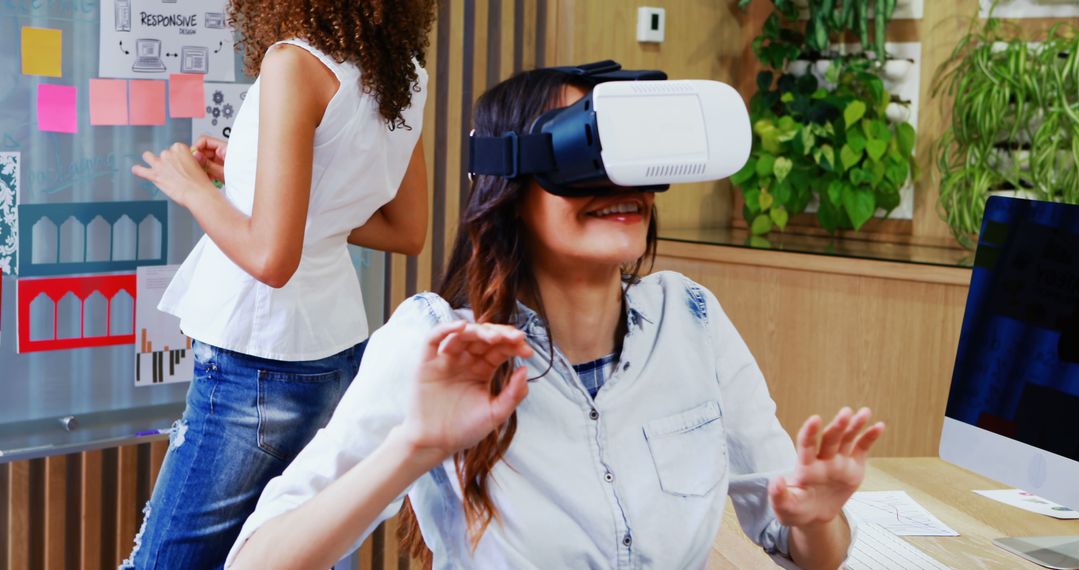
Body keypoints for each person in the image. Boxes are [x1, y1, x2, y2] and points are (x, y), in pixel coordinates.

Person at [226, 68, 885, 570]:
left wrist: (816, 518)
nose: (619, 184)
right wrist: (414, 449)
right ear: (511, 184)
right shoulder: (439, 347)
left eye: (632, 156)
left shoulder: (692, 322)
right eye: (585, 153)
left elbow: (805, 549)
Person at [123, 0, 436, 566]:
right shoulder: (403, 74)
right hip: (335, 355)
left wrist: (193, 186)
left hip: (255, 363)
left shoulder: (293, 63)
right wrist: (255, 183)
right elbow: (405, 229)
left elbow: (272, 257)